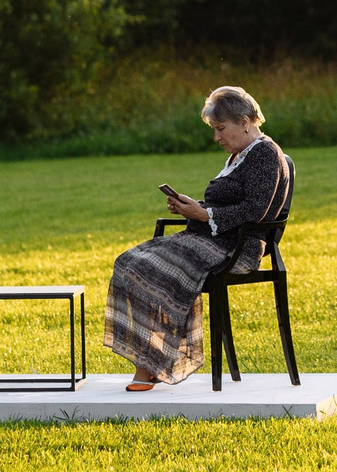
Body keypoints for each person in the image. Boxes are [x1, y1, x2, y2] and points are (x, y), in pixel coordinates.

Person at [106, 85, 289, 390]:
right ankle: (150, 360)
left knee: (154, 269)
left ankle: (150, 365)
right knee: (129, 262)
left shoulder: (265, 154)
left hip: (236, 250)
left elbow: (257, 211)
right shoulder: (239, 156)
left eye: (220, 128)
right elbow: (228, 206)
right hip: (213, 241)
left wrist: (204, 216)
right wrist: (193, 208)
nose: (216, 137)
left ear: (245, 121)